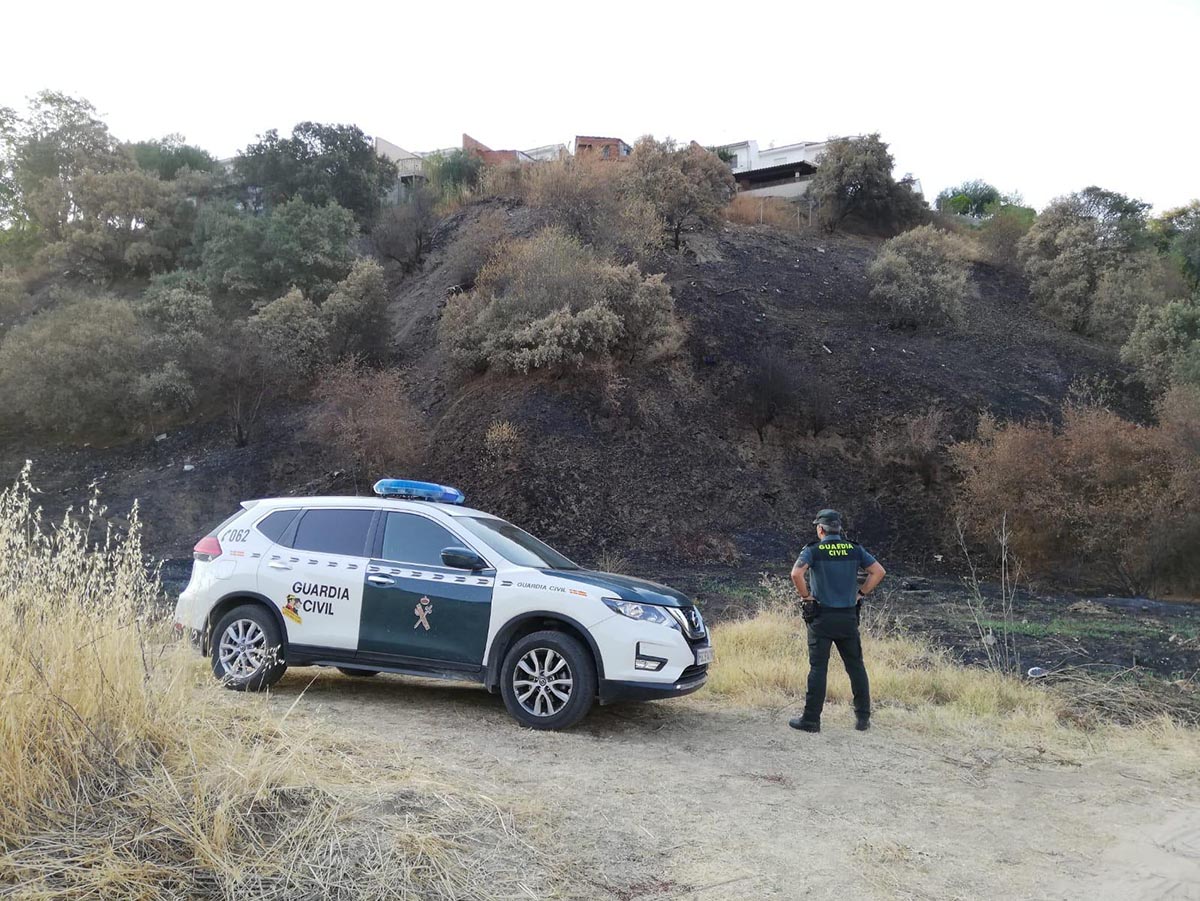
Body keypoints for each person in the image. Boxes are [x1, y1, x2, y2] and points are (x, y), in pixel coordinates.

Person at [788, 509, 886, 733]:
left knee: (818, 669)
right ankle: (862, 719)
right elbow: (878, 571)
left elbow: (796, 574)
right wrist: (860, 594)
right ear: (839, 529)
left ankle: (811, 720)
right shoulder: (854, 549)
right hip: (848, 617)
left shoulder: (814, 550)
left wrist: (806, 596)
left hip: (822, 617)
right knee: (855, 667)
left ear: (820, 529)